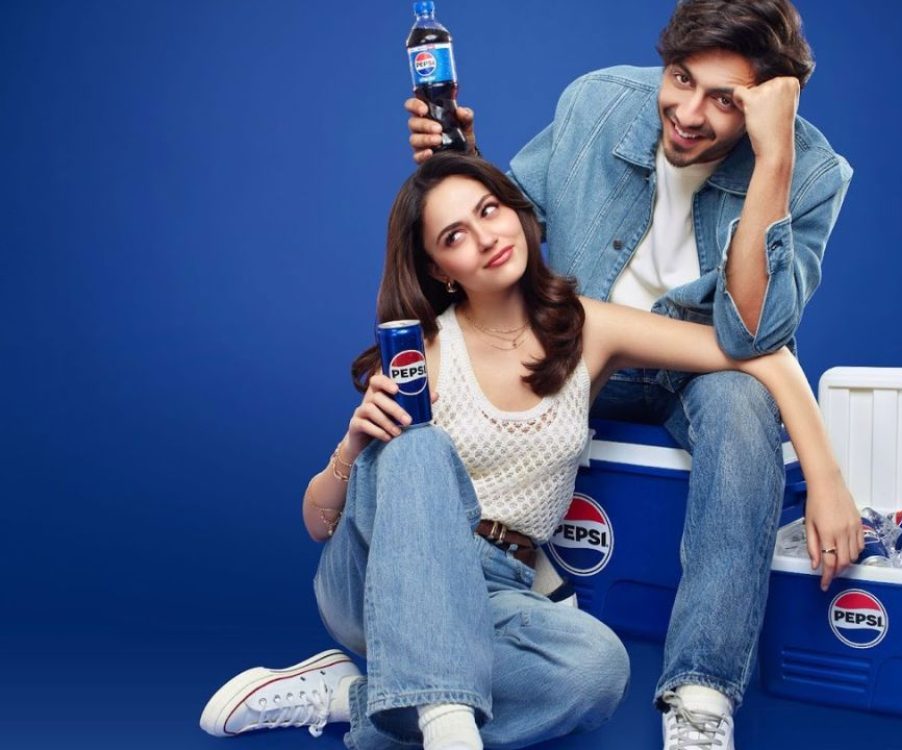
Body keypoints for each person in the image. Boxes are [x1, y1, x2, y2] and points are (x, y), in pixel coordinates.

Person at [199, 153, 861, 750]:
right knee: (419, 450)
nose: (486, 236)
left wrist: (826, 481)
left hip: (499, 586)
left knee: (598, 671)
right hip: (377, 578)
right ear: (439, 269)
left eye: (490, 210)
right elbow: (319, 524)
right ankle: (449, 731)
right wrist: (352, 443)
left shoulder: (586, 327)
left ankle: (357, 699)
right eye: (455, 236)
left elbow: (757, 354)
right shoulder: (420, 352)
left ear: (517, 212)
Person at [405, 1, 852, 746]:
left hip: (696, 369)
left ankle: (701, 695)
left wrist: (773, 159)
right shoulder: (597, 102)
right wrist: (465, 160)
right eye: (681, 78)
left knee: (740, 395)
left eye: (725, 100)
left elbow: (752, 338)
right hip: (585, 350)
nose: (689, 114)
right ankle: (483, 589)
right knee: (480, 346)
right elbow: (514, 232)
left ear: (769, 100)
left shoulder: (812, 173)